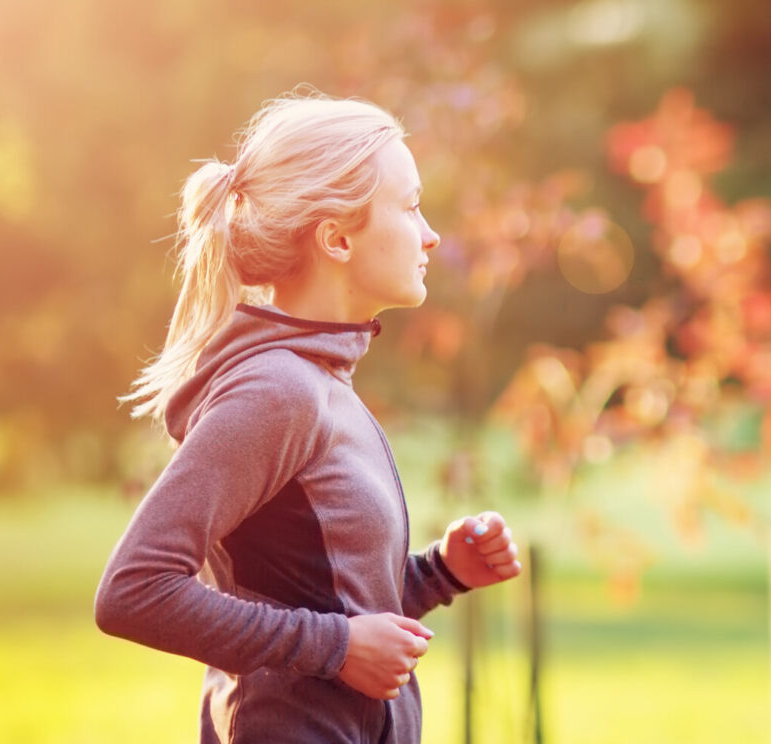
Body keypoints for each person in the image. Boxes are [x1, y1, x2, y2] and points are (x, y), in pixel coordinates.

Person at [94, 89, 522, 743]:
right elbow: (133, 589)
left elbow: (323, 600)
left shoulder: (320, 383)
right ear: (337, 238)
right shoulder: (278, 392)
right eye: (409, 207)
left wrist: (438, 573)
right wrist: (337, 646)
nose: (432, 233)